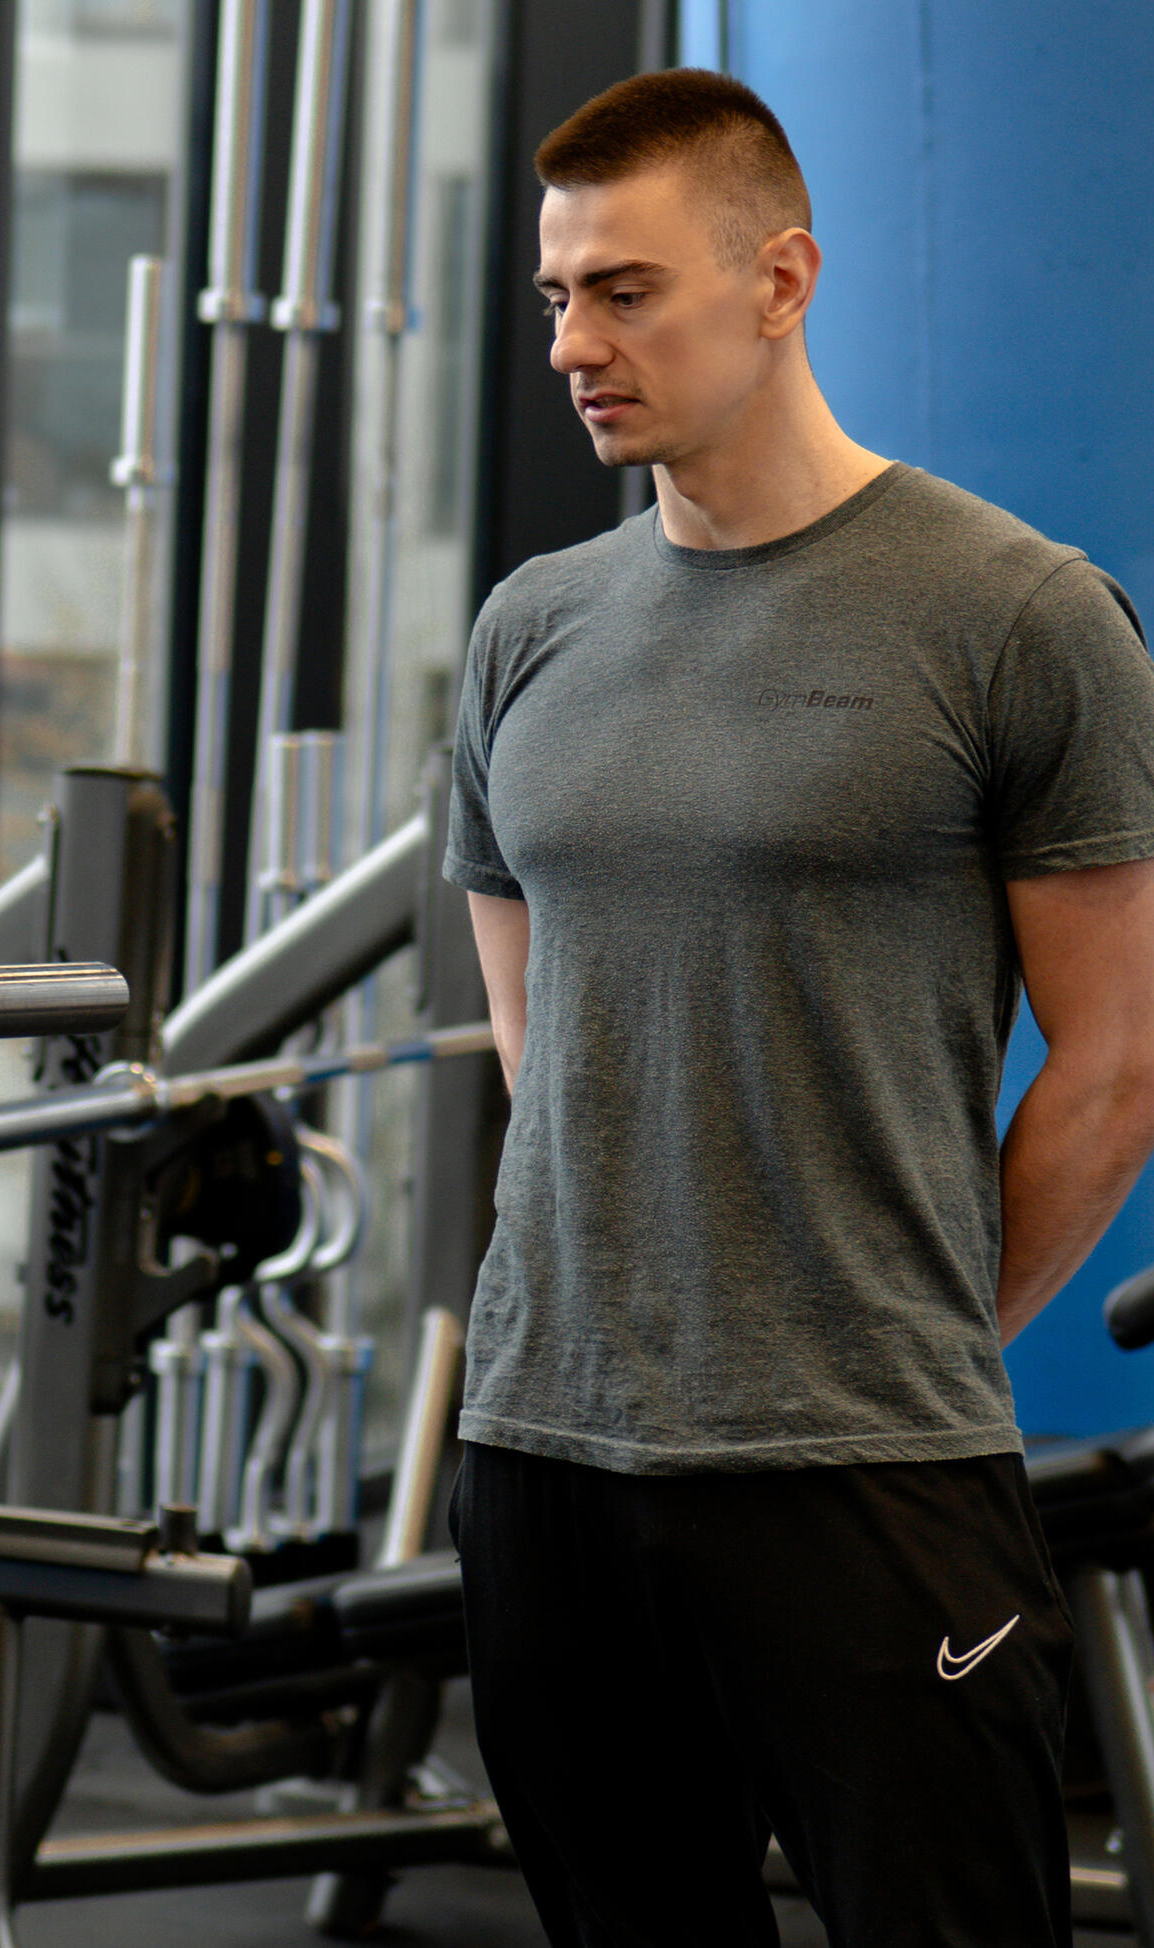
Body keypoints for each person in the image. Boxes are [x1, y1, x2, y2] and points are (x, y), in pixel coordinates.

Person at [443, 67, 1154, 1948]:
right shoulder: (532, 626)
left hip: (863, 1460)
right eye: (555, 298)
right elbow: (541, 1039)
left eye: (626, 291)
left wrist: (919, 1320)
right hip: (547, 1451)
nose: (575, 344)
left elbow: (1119, 1059)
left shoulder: (1019, 614)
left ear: (782, 280)